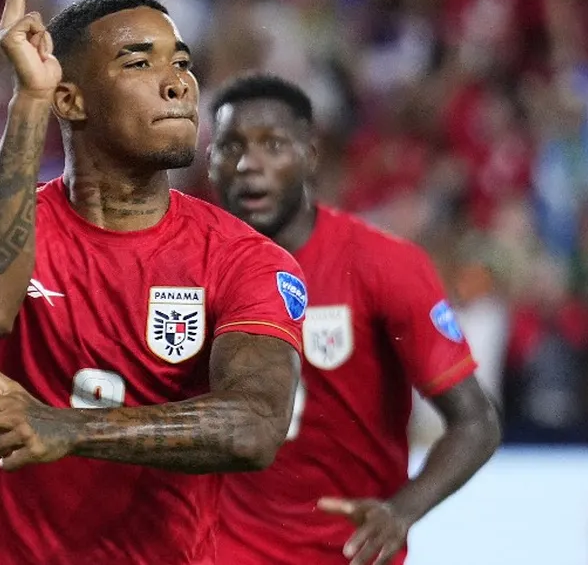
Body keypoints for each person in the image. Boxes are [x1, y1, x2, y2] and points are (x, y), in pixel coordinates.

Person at [0, 0, 307, 565]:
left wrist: (70, 429)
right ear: (70, 100)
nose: (178, 83)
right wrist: (29, 101)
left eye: (182, 62)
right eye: (139, 62)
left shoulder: (245, 260)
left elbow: (256, 426)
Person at [207, 73, 501, 565]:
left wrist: (401, 511)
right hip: (219, 551)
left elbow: (476, 421)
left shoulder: (383, 265)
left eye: (272, 145)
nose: (248, 165)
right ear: (210, 159)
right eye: (230, 147)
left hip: (346, 553)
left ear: (311, 155)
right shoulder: (188, 270)